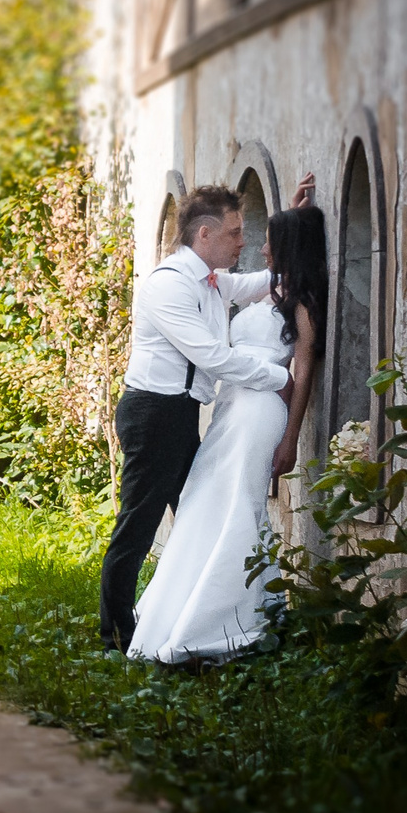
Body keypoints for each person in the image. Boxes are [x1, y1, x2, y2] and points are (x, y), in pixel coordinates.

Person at [98, 174, 314, 652]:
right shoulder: (169, 286)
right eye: (236, 232)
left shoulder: (215, 281)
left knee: (198, 514)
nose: (244, 241)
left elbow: (273, 280)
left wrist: (294, 224)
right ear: (205, 235)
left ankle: (195, 616)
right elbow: (214, 358)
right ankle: (115, 632)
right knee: (138, 524)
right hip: (152, 414)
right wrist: (282, 378)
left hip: (181, 414)